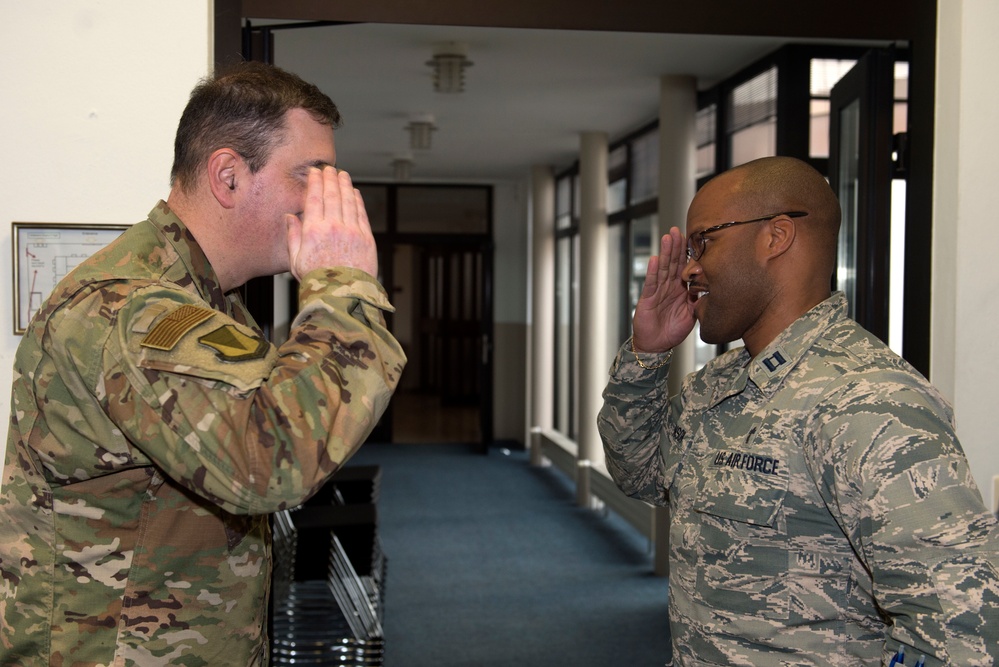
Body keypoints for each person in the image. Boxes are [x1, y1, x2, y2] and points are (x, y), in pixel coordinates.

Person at [0, 62, 406, 665]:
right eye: (309, 177)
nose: (328, 201)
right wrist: (343, 290)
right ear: (228, 176)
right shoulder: (133, 311)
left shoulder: (208, 307)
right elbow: (269, 464)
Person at [598, 156, 999, 666]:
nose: (691, 268)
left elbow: (961, 630)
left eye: (706, 242)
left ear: (777, 236)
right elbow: (639, 474)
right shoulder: (718, 383)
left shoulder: (870, 401)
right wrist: (647, 356)